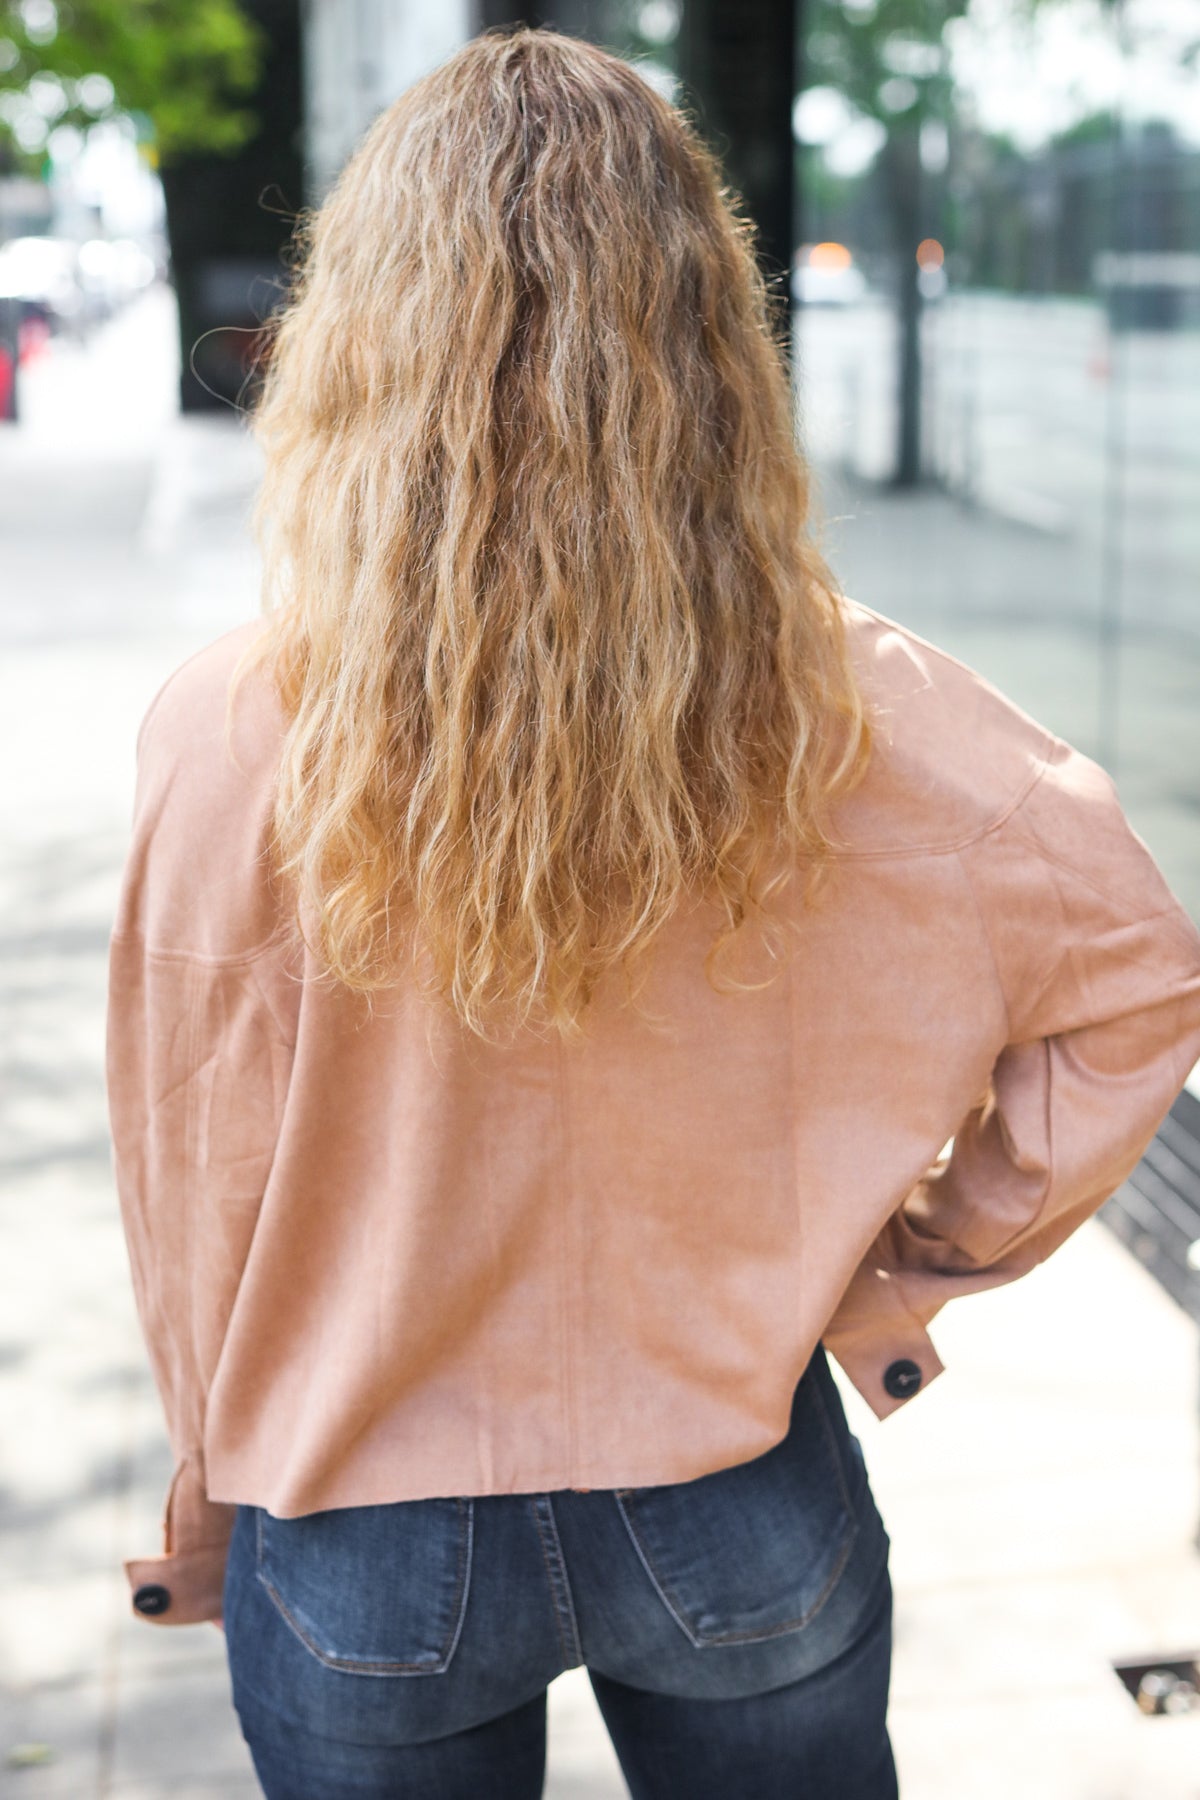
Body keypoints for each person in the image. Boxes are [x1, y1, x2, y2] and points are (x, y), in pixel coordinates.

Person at [105, 27, 1200, 1800]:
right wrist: (911, 1269)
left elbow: (187, 1175)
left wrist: (206, 1473)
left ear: (364, 336)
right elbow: (1139, 983)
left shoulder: (232, 730)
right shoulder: (868, 713)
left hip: (359, 1531)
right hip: (736, 1482)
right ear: (711, 338)